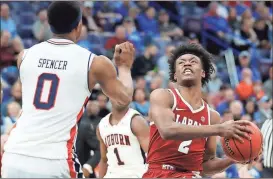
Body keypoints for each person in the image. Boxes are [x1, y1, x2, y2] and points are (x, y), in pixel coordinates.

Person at [1, 2, 135, 178]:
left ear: (49, 24)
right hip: (55, 160)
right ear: (79, 26)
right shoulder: (95, 63)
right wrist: (124, 67)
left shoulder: (25, 56)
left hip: (13, 156)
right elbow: (124, 98)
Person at [143, 43, 255, 178]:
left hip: (191, 174)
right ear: (175, 75)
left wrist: (235, 158)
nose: (187, 64)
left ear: (203, 72)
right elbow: (167, 130)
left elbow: (205, 165)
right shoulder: (163, 96)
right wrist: (218, 129)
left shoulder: (212, 116)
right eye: (181, 62)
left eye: (193, 61)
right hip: (161, 173)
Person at [97, 100, 149, 178]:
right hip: (112, 175)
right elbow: (104, 159)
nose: (119, 97)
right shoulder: (102, 125)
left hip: (134, 174)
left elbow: (152, 155)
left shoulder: (136, 120)